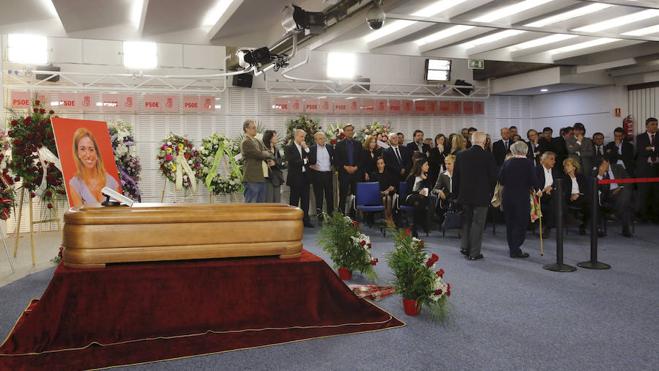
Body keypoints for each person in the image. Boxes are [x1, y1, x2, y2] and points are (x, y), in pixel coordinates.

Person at [453, 132, 498, 261]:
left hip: (464, 195)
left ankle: (465, 247)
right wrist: (489, 191)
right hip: (481, 196)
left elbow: (456, 177)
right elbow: (493, 177)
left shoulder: (461, 155)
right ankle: (474, 253)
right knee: (478, 223)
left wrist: (456, 194)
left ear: (471, 141)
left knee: (466, 221)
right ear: (484, 142)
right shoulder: (488, 156)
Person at [499, 141, 538, 258]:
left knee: (510, 223)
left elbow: (501, 179)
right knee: (521, 223)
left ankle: (512, 247)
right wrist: (538, 189)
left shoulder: (507, 162)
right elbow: (533, 180)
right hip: (521, 197)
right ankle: (516, 248)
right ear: (525, 150)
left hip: (508, 196)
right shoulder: (528, 163)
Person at [69, 128, 120, 207]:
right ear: (77, 153)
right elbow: (80, 217)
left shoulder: (112, 183)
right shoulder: (74, 184)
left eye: (91, 149)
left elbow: (119, 214)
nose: (88, 155)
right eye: (82, 149)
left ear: (96, 153)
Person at [594, 157, 632, 237]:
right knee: (625, 202)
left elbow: (628, 181)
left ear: (608, 162)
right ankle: (617, 214)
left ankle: (617, 215)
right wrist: (600, 175)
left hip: (619, 193)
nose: (603, 166)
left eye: (604, 164)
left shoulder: (618, 167)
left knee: (625, 194)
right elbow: (594, 188)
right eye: (601, 165)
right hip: (606, 195)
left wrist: (620, 187)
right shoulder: (597, 171)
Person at [285, 129, 313, 227]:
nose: (303, 138)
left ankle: (306, 220)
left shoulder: (304, 147)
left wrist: (306, 149)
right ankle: (293, 219)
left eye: (304, 137)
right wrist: (305, 161)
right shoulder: (289, 147)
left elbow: (312, 160)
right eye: (301, 136)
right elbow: (293, 162)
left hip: (305, 177)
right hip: (295, 178)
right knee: (294, 200)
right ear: (296, 136)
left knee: (305, 200)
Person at [240, 120, 272, 203]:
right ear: (247, 129)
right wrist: (264, 153)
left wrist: (265, 153)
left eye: (255, 128)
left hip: (261, 177)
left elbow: (268, 152)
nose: (255, 130)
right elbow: (259, 154)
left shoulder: (257, 141)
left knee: (260, 206)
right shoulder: (246, 142)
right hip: (252, 178)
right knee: (251, 205)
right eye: (253, 128)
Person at [334, 124, 364, 215]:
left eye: (351, 130)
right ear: (344, 132)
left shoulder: (358, 144)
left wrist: (356, 167)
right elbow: (336, 159)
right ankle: (341, 215)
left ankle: (353, 214)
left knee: (355, 195)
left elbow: (361, 159)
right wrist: (345, 167)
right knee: (343, 195)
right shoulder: (339, 145)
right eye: (348, 130)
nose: (350, 132)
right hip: (344, 173)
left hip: (356, 173)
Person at [635, 117, 659, 222]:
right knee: (643, 194)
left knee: (656, 194)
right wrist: (655, 149)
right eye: (652, 124)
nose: (655, 126)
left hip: (657, 170)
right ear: (647, 126)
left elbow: (647, 150)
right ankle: (643, 216)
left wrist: (650, 148)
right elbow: (642, 151)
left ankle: (656, 216)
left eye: (656, 124)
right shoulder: (640, 137)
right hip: (644, 170)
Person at [309, 131, 335, 218]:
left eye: (324, 138)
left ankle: (330, 215)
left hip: (328, 174)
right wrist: (311, 166)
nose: (323, 140)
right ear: (316, 140)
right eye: (320, 138)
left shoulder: (330, 147)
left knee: (329, 195)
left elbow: (334, 159)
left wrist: (333, 166)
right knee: (319, 196)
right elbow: (307, 161)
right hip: (317, 175)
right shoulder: (312, 149)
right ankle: (320, 216)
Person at [536, 151, 560, 235]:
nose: (554, 161)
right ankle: (547, 227)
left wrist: (551, 188)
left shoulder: (555, 171)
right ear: (545, 160)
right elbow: (534, 184)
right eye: (551, 159)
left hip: (551, 194)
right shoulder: (537, 170)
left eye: (554, 159)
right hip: (539, 195)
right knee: (552, 202)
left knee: (553, 200)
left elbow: (558, 184)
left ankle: (547, 227)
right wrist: (544, 189)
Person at [405, 157, 431, 237]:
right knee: (418, 199)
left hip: (421, 199)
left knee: (420, 200)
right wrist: (418, 192)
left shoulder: (427, 177)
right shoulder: (412, 177)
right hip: (411, 197)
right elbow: (408, 191)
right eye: (426, 165)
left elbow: (428, 190)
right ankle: (421, 223)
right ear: (420, 166)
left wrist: (425, 180)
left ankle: (413, 226)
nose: (428, 166)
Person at [563, 157, 589, 235]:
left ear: (574, 167)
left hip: (581, 198)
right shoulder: (564, 178)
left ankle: (584, 225)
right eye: (565, 166)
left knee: (590, 204)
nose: (566, 167)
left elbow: (586, 190)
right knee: (589, 202)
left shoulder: (581, 177)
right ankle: (582, 224)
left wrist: (578, 195)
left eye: (568, 165)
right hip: (570, 199)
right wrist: (571, 196)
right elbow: (564, 192)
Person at [369, 157, 397, 227]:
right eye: (378, 164)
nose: (380, 165)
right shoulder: (374, 174)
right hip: (377, 195)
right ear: (376, 165)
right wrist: (382, 192)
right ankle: (388, 218)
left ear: (384, 164)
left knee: (387, 198)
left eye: (381, 163)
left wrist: (389, 189)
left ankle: (388, 217)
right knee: (385, 198)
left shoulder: (388, 174)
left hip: (388, 194)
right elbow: (373, 188)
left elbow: (393, 186)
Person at [431, 154, 456, 221]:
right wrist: (439, 191)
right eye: (446, 164)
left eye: (449, 164)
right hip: (446, 198)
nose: (447, 166)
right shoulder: (443, 175)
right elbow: (434, 189)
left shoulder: (460, 174)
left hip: (457, 197)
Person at [262, 130, 285, 203]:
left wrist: (275, 162)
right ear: (269, 138)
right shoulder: (263, 149)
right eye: (274, 136)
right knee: (269, 200)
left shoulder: (277, 149)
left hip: (277, 178)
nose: (276, 138)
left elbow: (281, 162)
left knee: (277, 200)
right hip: (267, 178)